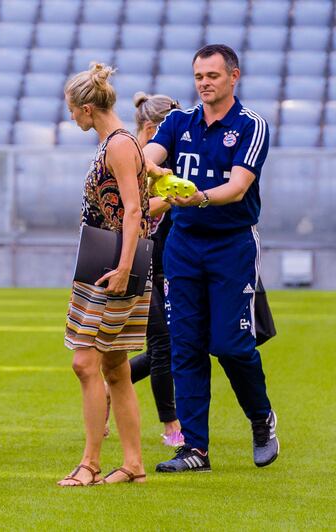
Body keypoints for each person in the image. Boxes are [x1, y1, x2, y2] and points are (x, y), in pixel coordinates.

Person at [143, 44, 279, 473]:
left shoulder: (251, 125)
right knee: (186, 346)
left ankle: (262, 419)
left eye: (213, 76)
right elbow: (146, 155)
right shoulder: (179, 121)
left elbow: (238, 187)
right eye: (199, 76)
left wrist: (195, 197)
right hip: (183, 244)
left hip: (231, 244)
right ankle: (194, 450)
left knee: (231, 345)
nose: (204, 83)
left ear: (233, 76)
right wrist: (157, 171)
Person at [59, 63, 150, 487]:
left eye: (73, 110)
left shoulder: (116, 145)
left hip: (111, 263)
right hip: (110, 259)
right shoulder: (120, 142)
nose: (71, 117)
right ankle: (133, 464)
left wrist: (124, 267)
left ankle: (90, 463)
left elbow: (133, 209)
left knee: (84, 363)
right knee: (115, 366)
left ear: (88, 107)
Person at [128, 91, 185, 447]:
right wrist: (174, 197)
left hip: (167, 258)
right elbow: (132, 208)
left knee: (172, 343)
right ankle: (171, 425)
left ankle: (109, 385)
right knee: (163, 344)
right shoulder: (132, 157)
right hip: (143, 260)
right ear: (152, 128)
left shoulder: (165, 160)